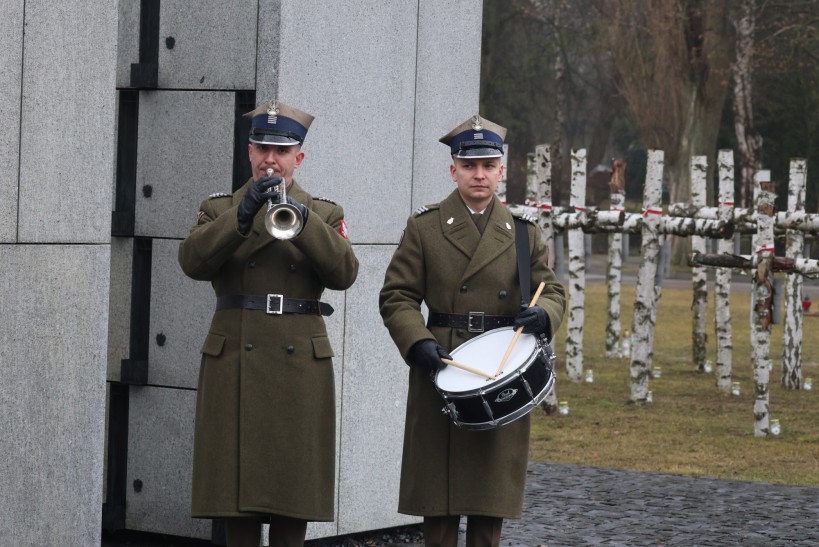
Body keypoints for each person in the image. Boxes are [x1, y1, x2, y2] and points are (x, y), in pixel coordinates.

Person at [178, 99, 359, 547]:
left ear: (299, 158)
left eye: (282, 151)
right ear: (250, 152)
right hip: (236, 355)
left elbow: (344, 274)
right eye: (262, 148)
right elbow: (192, 262)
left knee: (291, 492)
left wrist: (303, 222)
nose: (270, 160)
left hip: (298, 361)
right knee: (235, 499)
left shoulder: (324, 212)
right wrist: (240, 220)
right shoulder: (220, 208)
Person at [379, 115, 565, 547]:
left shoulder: (522, 233)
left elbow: (550, 289)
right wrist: (417, 340)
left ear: (502, 170)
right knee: (439, 507)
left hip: (501, 368)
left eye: (487, 165)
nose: (478, 174)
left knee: (488, 504)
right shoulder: (424, 228)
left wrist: (546, 316)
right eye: (469, 165)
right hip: (443, 366)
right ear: (453, 171)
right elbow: (397, 295)